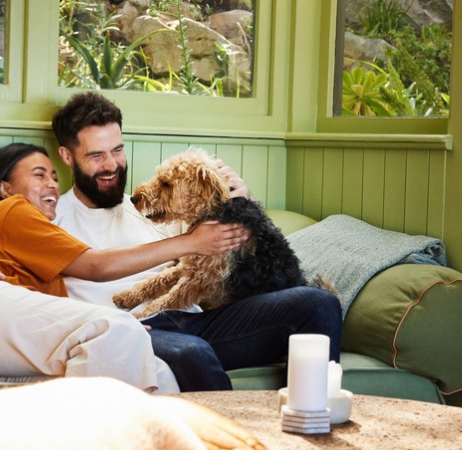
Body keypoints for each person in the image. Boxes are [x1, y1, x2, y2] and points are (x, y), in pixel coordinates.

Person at [47, 91, 343, 391]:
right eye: (96, 155)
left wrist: (239, 201)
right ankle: (231, 439)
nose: (111, 164)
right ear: (67, 156)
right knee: (193, 352)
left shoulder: (157, 209)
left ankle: (315, 416)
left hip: (199, 323)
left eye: (118, 150)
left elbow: (240, 254)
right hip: (133, 329)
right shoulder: (52, 218)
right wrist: (192, 242)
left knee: (320, 303)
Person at [0, 143, 247, 394]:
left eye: (54, 177)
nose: (52, 185)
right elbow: (94, 266)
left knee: (159, 375)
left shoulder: (33, 239)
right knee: (119, 329)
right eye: (39, 175)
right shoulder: (13, 209)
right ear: (5, 189)